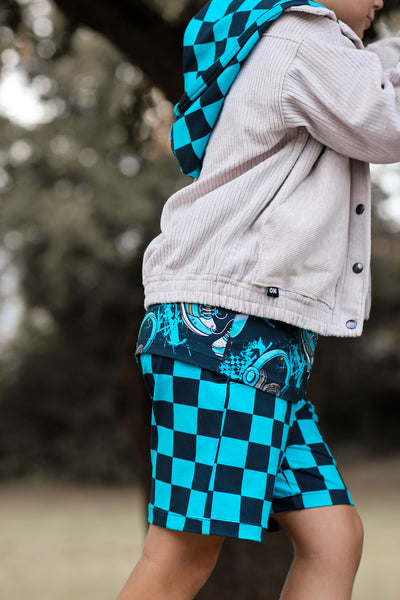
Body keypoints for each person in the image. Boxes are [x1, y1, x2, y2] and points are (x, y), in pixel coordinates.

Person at [116, 1, 399, 598]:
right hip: (226, 331)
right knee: (182, 553)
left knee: (333, 537)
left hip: (253, 335)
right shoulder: (302, 35)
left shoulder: (298, 42)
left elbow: (374, 73)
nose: (380, 0)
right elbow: (385, 120)